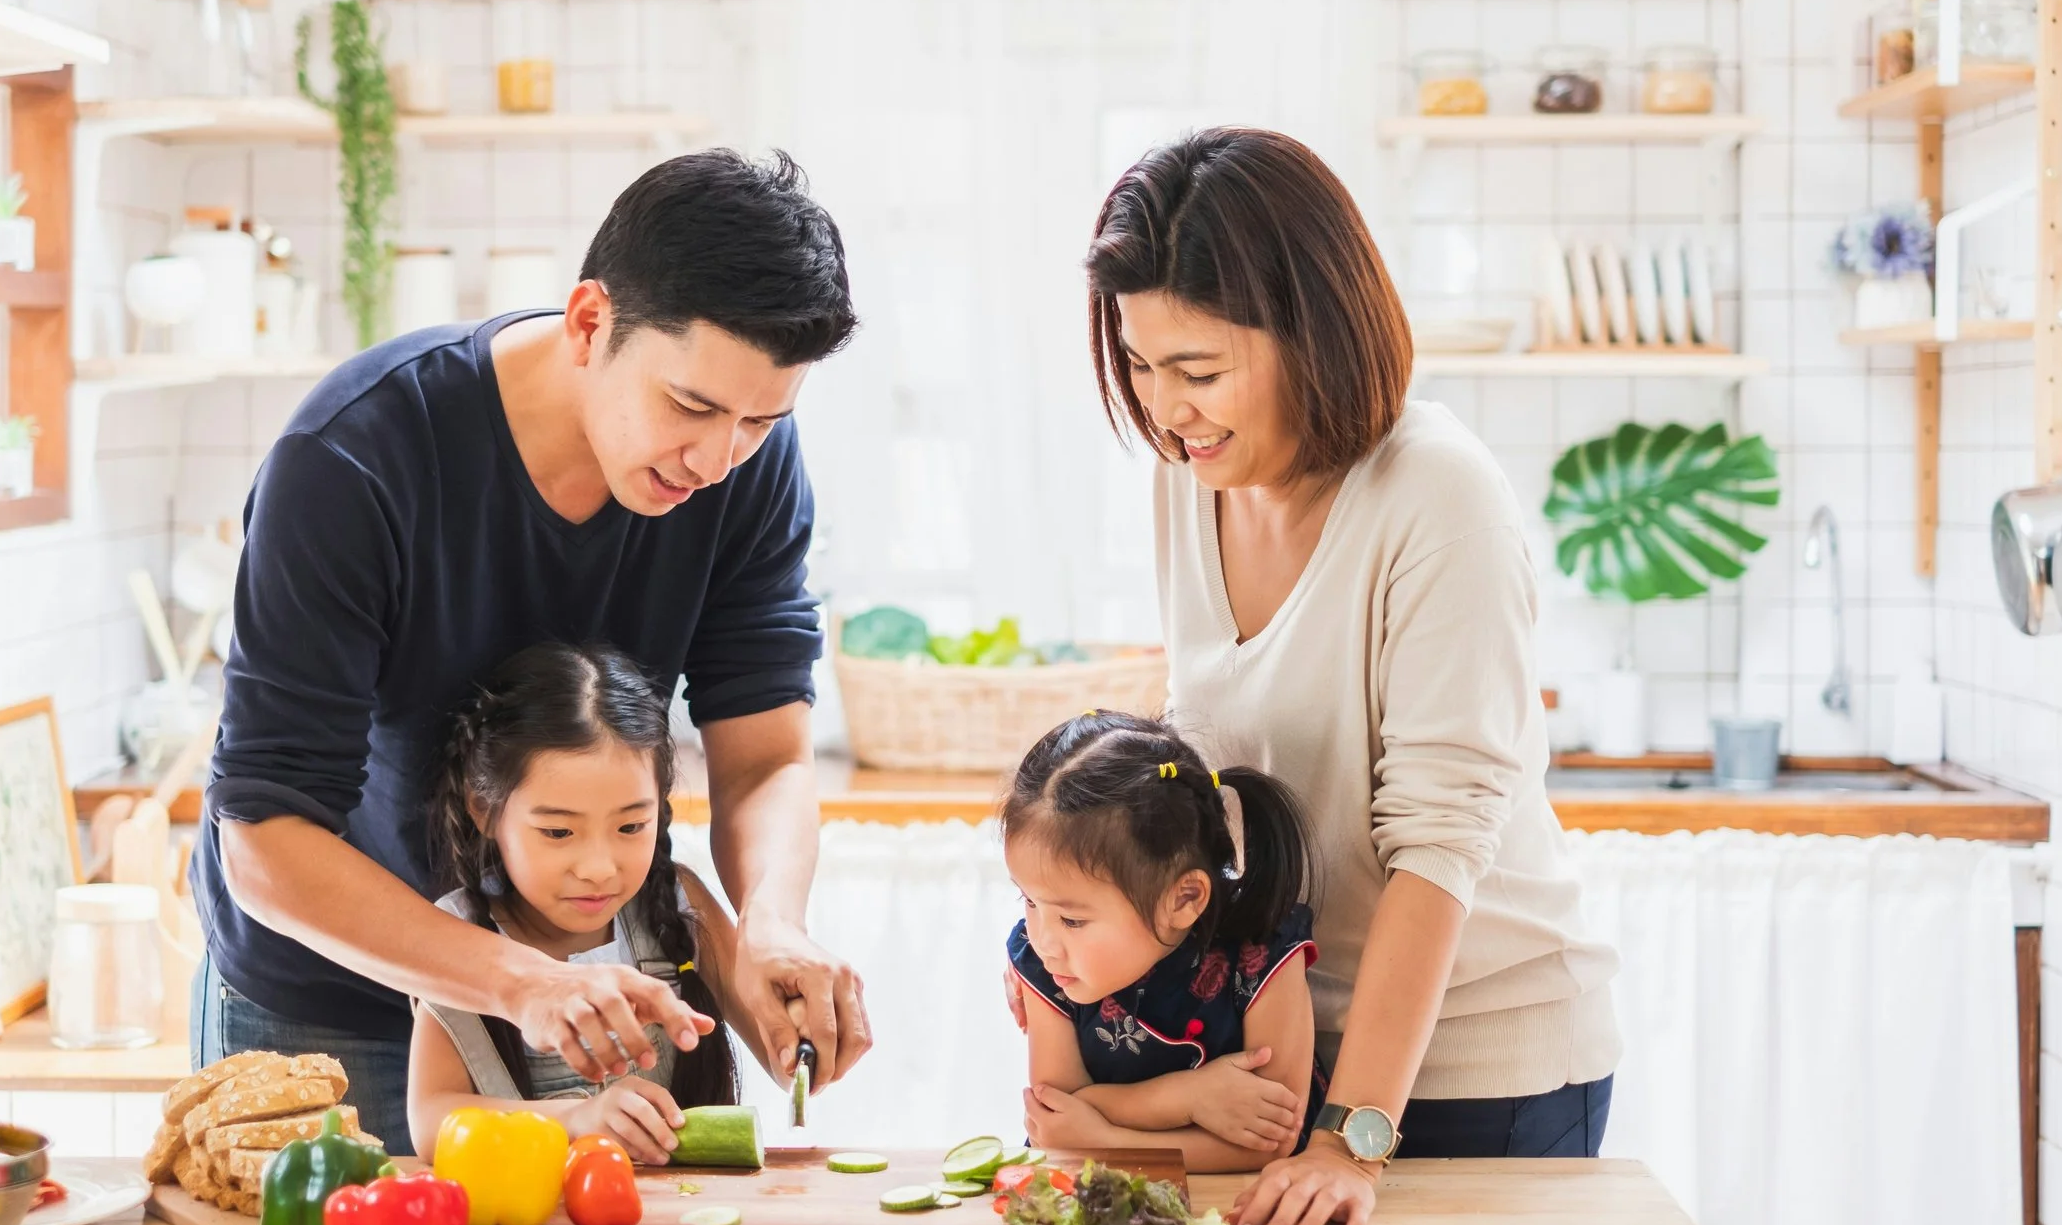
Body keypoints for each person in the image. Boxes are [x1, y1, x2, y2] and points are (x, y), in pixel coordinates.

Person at [194, 150, 873, 1154]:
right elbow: (265, 836)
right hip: (329, 1002)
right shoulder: (355, 458)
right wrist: (520, 981)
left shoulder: (747, 466)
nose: (718, 458)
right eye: (690, 407)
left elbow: (766, 752)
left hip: (583, 1000)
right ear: (590, 321)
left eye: (761, 420)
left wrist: (771, 916)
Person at [1058, 127, 1621, 1225]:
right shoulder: (1195, 476)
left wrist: (1353, 1133)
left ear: (1311, 333)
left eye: (1199, 370)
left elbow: (1438, 840)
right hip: (1291, 1062)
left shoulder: (1435, 495)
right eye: (1138, 364)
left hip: (1472, 1069)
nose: (1165, 410)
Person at [406, 642, 760, 1165]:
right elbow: (432, 1119)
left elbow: (771, 1022)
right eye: (557, 830)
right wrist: (578, 1121)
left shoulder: (682, 903)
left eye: (630, 826)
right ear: (485, 810)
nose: (598, 866)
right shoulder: (458, 938)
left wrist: (799, 1028)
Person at [1004, 711, 1319, 1173]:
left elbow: (1270, 1141)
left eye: (1072, 920)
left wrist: (1104, 1139)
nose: (1043, 941)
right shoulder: (1043, 963)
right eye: (1028, 901)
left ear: (1183, 899)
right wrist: (1190, 1098)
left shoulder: (1263, 951)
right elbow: (1058, 1113)